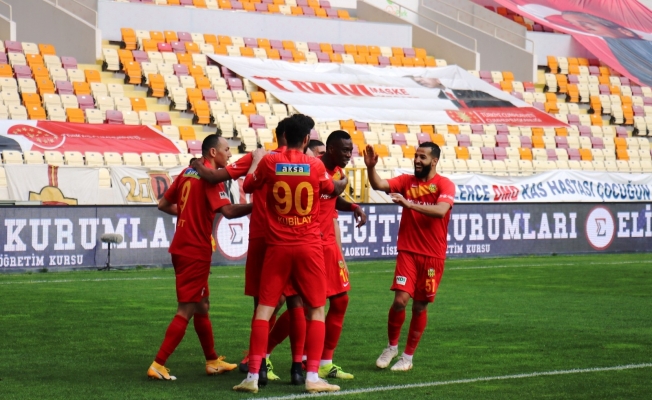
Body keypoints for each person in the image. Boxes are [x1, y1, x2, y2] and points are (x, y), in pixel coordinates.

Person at [233, 115, 347, 394]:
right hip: (309, 247)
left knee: (264, 309)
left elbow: (247, 186)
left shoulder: (270, 163)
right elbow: (332, 189)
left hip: (277, 247)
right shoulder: (315, 165)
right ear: (307, 139)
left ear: (284, 136)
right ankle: (311, 376)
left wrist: (257, 161)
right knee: (316, 309)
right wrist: (342, 182)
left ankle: (252, 375)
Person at [147, 134, 254, 381]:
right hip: (195, 251)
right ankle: (158, 364)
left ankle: (212, 360)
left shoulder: (187, 172)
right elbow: (228, 211)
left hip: (182, 247)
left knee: (202, 305)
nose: (230, 154)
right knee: (186, 308)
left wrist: (188, 213)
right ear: (213, 153)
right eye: (227, 149)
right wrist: (259, 206)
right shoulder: (211, 179)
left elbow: (163, 204)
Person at [264, 130, 367, 382]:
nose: (349, 155)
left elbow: (332, 197)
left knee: (340, 301)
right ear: (330, 149)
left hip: (328, 246)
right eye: (345, 150)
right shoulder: (312, 168)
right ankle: (264, 353)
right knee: (300, 305)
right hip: (308, 244)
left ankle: (324, 362)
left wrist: (353, 206)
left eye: (350, 151)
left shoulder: (338, 173)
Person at [363, 141, 455, 371]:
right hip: (408, 252)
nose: (417, 160)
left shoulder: (444, 184)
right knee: (400, 300)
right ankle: (391, 347)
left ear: (434, 161)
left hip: (433, 256)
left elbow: (441, 211)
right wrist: (371, 167)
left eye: (422, 157)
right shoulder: (406, 181)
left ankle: (407, 358)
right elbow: (378, 184)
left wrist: (409, 204)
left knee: (420, 307)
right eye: (416, 156)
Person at [409, 76, 516, 108]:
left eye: (421, 77)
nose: (421, 82)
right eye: (418, 82)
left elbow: (496, 102)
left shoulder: (465, 89)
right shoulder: (440, 99)